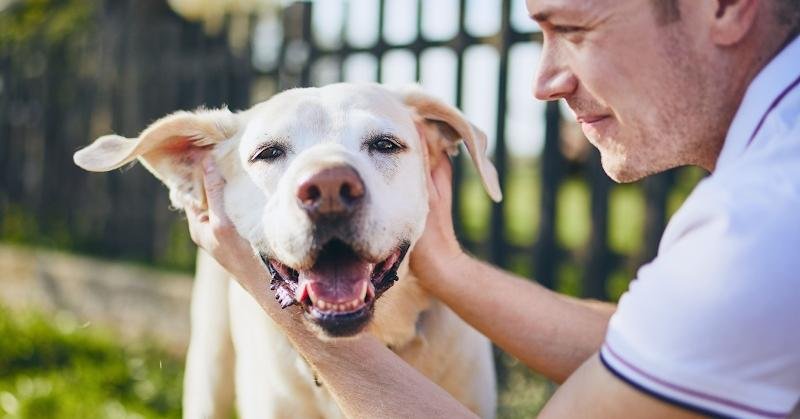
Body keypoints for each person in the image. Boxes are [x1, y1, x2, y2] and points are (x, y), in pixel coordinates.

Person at [185, 0, 800, 417]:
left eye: (575, 29)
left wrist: (283, 304)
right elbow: (659, 343)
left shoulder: (763, 223)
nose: (543, 81)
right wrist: (446, 268)